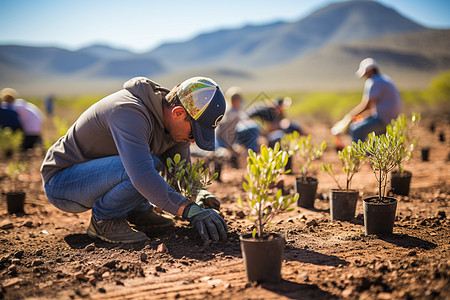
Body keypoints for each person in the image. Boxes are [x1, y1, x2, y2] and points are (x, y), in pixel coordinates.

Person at [40, 76, 228, 244]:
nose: (194, 140)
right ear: (178, 113)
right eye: (194, 132)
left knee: (150, 164)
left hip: (99, 177)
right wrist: (191, 211)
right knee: (148, 166)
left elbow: (180, 173)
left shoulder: (174, 128)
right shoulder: (129, 111)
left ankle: (137, 211)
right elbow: (141, 175)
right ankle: (104, 221)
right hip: (63, 183)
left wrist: (198, 195)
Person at [332, 58, 402, 144]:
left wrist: (350, 117)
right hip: (392, 119)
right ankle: (373, 155)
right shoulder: (385, 79)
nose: (365, 76)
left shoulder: (373, 81)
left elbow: (366, 105)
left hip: (382, 120)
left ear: (369, 71)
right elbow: (373, 107)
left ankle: (359, 156)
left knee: (355, 129)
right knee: (376, 140)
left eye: (365, 73)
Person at [215, 87, 260, 155]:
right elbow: (223, 131)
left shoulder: (236, 110)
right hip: (222, 140)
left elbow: (245, 119)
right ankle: (251, 153)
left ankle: (251, 152)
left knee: (253, 128)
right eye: (240, 100)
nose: (241, 101)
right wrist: (229, 146)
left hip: (231, 136)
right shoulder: (228, 112)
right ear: (235, 100)